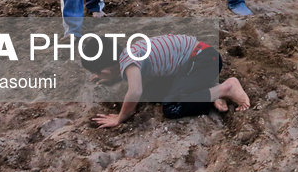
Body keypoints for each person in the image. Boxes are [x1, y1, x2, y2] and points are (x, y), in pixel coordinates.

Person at [82, 34, 250, 126]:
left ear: (106, 69)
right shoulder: (126, 54)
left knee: (171, 108)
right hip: (197, 62)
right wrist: (110, 77)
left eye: (101, 73)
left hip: (203, 61)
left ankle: (225, 89)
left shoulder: (129, 63)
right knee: (152, 92)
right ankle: (210, 89)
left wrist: (120, 118)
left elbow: (134, 91)